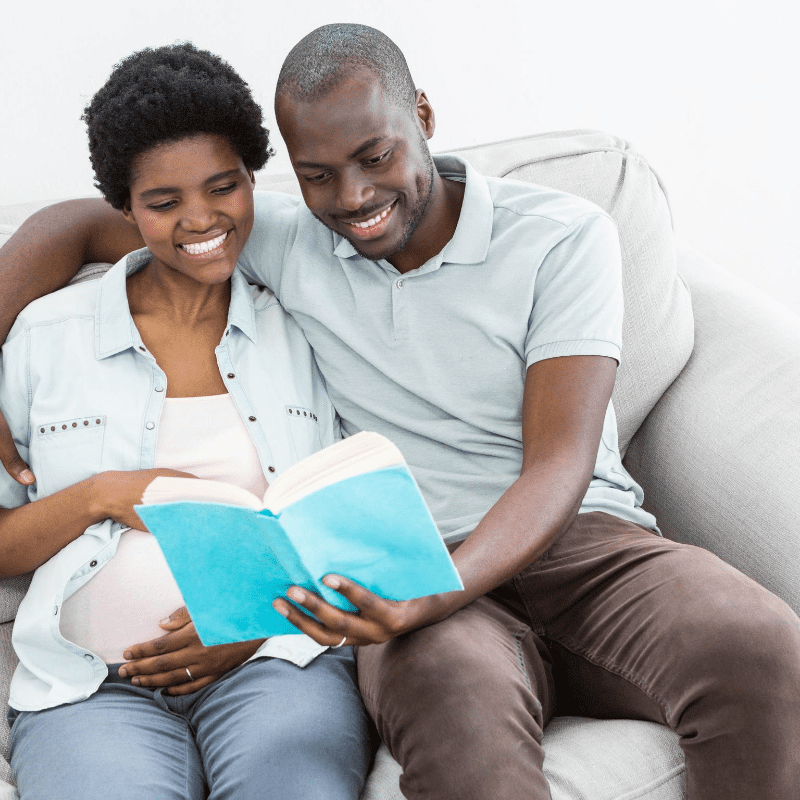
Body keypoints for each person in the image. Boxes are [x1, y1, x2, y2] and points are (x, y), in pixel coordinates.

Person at [2, 23, 800, 800]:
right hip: (400, 566)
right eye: (316, 174)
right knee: (460, 727)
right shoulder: (280, 236)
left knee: (763, 650)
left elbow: (558, 464)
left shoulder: (560, 237)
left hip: (578, 544)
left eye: (374, 157)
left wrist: (441, 590)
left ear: (421, 115)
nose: (352, 198)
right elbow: (74, 224)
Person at [0, 43, 372, 800]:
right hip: (88, 688)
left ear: (252, 182)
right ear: (126, 209)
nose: (200, 220)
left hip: (274, 660)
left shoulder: (302, 327)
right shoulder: (44, 337)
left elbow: (345, 518)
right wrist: (101, 494)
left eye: (222, 188)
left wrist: (247, 624)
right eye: (163, 203)